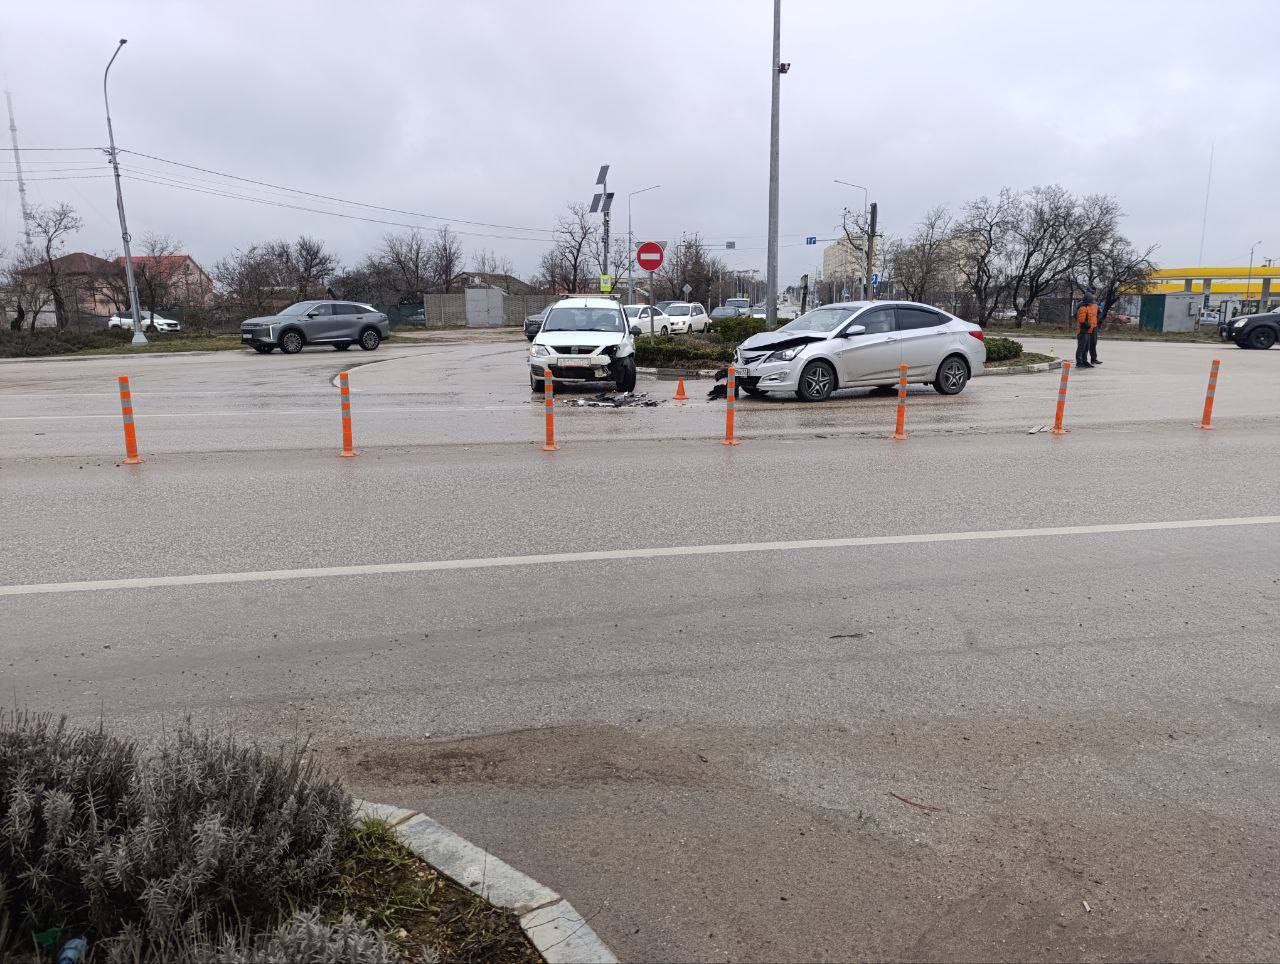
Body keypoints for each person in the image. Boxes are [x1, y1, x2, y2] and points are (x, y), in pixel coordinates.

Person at [1075, 292, 1098, 369]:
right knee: (1081, 347)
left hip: (1088, 331)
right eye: (1091, 301)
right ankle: (1079, 362)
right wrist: (1089, 325)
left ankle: (1084, 361)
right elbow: (1082, 321)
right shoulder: (1083, 308)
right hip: (1082, 331)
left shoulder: (1087, 307)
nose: (1092, 303)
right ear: (1087, 300)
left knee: (1086, 347)